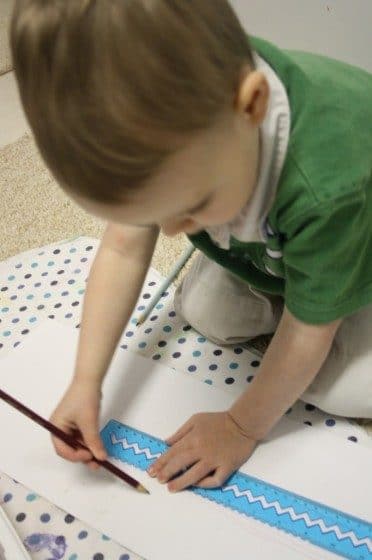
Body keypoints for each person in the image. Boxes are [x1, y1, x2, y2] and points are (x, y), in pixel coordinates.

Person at [10, 0, 372, 493]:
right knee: (205, 312)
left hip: (356, 252)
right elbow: (121, 247)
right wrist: (85, 382)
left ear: (252, 106)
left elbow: (312, 329)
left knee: (341, 389)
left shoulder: (327, 190)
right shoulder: (193, 130)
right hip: (279, 249)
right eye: (153, 214)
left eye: (193, 204)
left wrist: (241, 427)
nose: (172, 231)